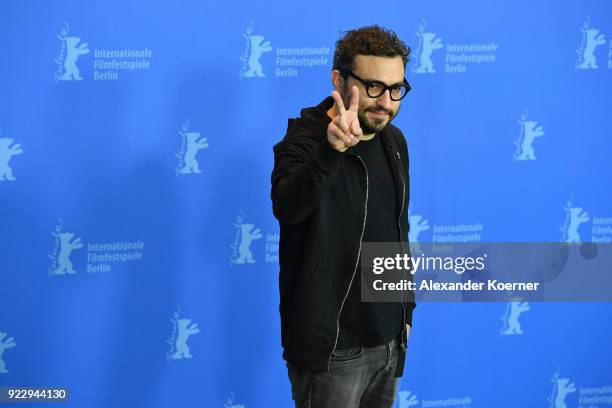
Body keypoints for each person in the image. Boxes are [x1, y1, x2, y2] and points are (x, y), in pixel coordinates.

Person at [271, 25, 416, 408]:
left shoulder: (394, 142)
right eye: (373, 87)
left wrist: (406, 312)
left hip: (387, 344)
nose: (385, 101)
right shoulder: (303, 140)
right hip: (333, 352)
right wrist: (331, 151)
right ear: (339, 79)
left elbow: (398, 230)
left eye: (395, 89)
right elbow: (288, 206)